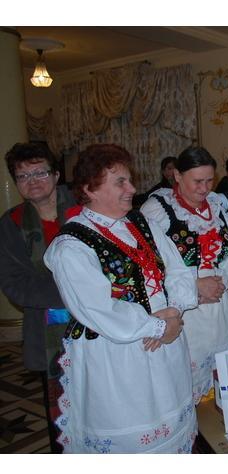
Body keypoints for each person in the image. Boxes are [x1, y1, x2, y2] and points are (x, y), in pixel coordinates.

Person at [43, 144, 198, 453]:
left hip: (166, 344)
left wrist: (174, 311)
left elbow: (178, 269)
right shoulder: (71, 245)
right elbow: (98, 309)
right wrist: (157, 327)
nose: (132, 189)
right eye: (120, 182)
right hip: (118, 355)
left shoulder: (141, 223)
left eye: (130, 180)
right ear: (90, 189)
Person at [141, 146, 228, 403]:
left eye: (209, 180)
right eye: (197, 181)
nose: (204, 188)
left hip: (219, 312)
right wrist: (194, 286)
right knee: (183, 390)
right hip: (182, 316)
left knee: (221, 387)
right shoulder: (156, 211)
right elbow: (145, 268)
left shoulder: (216, 208)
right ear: (177, 176)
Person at [0, 142, 76, 453]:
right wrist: (77, 290)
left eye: (40, 172)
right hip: (49, 333)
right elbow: (15, 284)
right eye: (23, 176)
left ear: (56, 175)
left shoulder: (84, 208)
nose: (32, 181)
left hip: (102, 326)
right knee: (62, 414)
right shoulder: (11, 223)